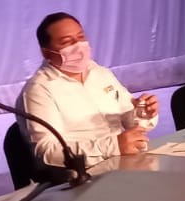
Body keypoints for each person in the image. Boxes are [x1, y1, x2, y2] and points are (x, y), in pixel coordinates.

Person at [19, 12, 159, 167]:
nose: (78, 45)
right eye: (67, 42)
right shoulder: (39, 90)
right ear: (46, 52)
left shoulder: (100, 73)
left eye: (80, 37)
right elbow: (47, 151)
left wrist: (143, 113)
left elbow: (131, 123)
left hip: (127, 162)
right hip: (86, 173)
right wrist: (113, 146)